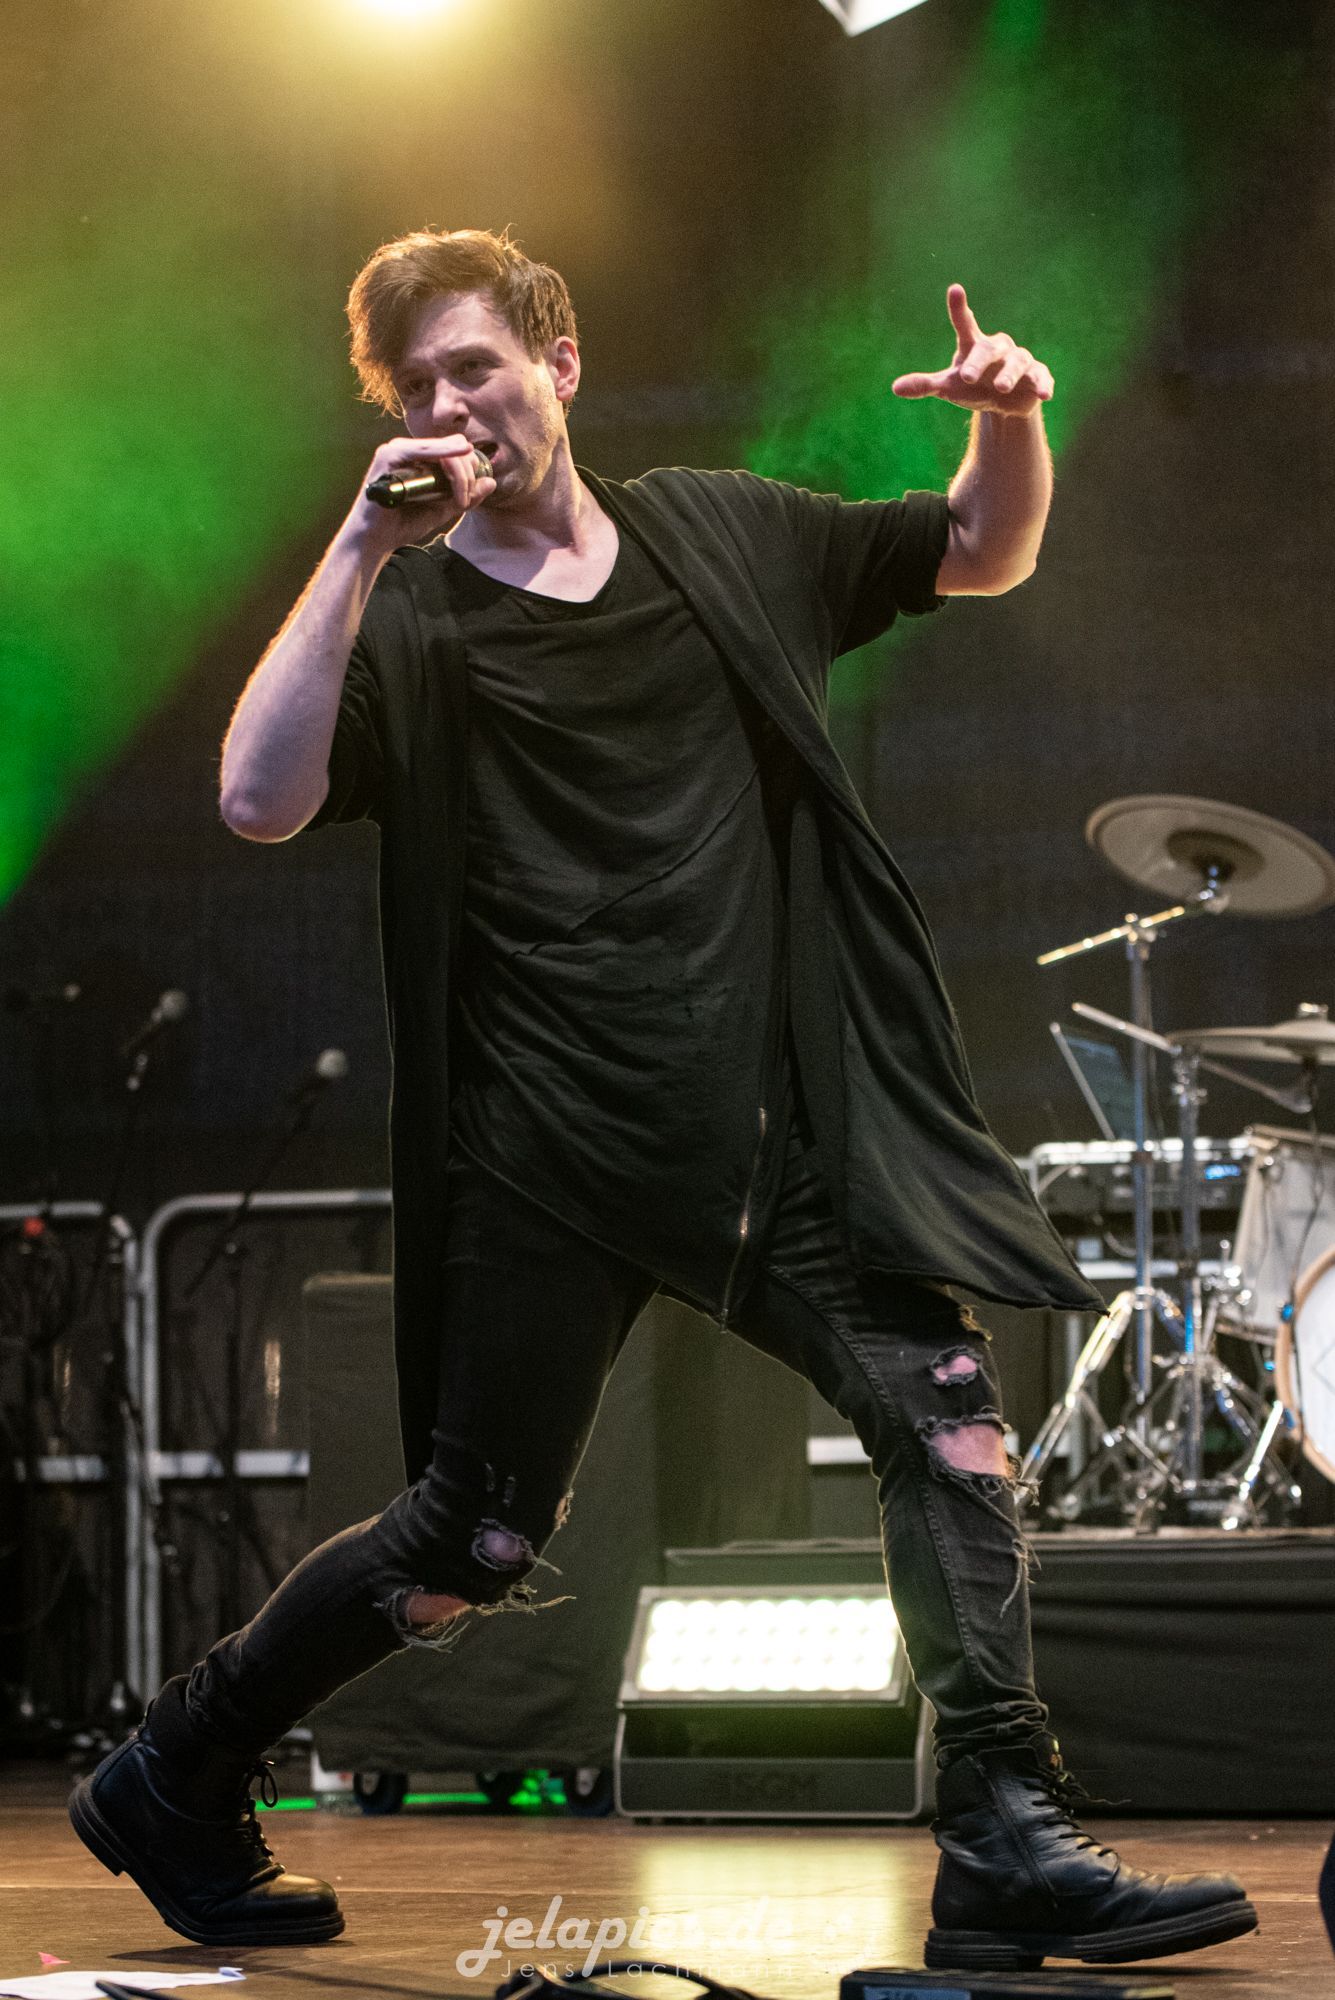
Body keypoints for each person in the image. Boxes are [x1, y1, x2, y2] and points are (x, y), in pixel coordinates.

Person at [70, 229, 1257, 1971]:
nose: (451, 408)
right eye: (417, 389)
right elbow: (259, 798)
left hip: (767, 1136)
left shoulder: (726, 535)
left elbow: (984, 549)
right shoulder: (414, 621)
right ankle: (178, 1765)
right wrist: (358, 547)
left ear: (559, 361)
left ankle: (1004, 1831)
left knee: (945, 1415)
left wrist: (1009, 421)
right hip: (547, 1152)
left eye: (477, 368)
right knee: (470, 1540)